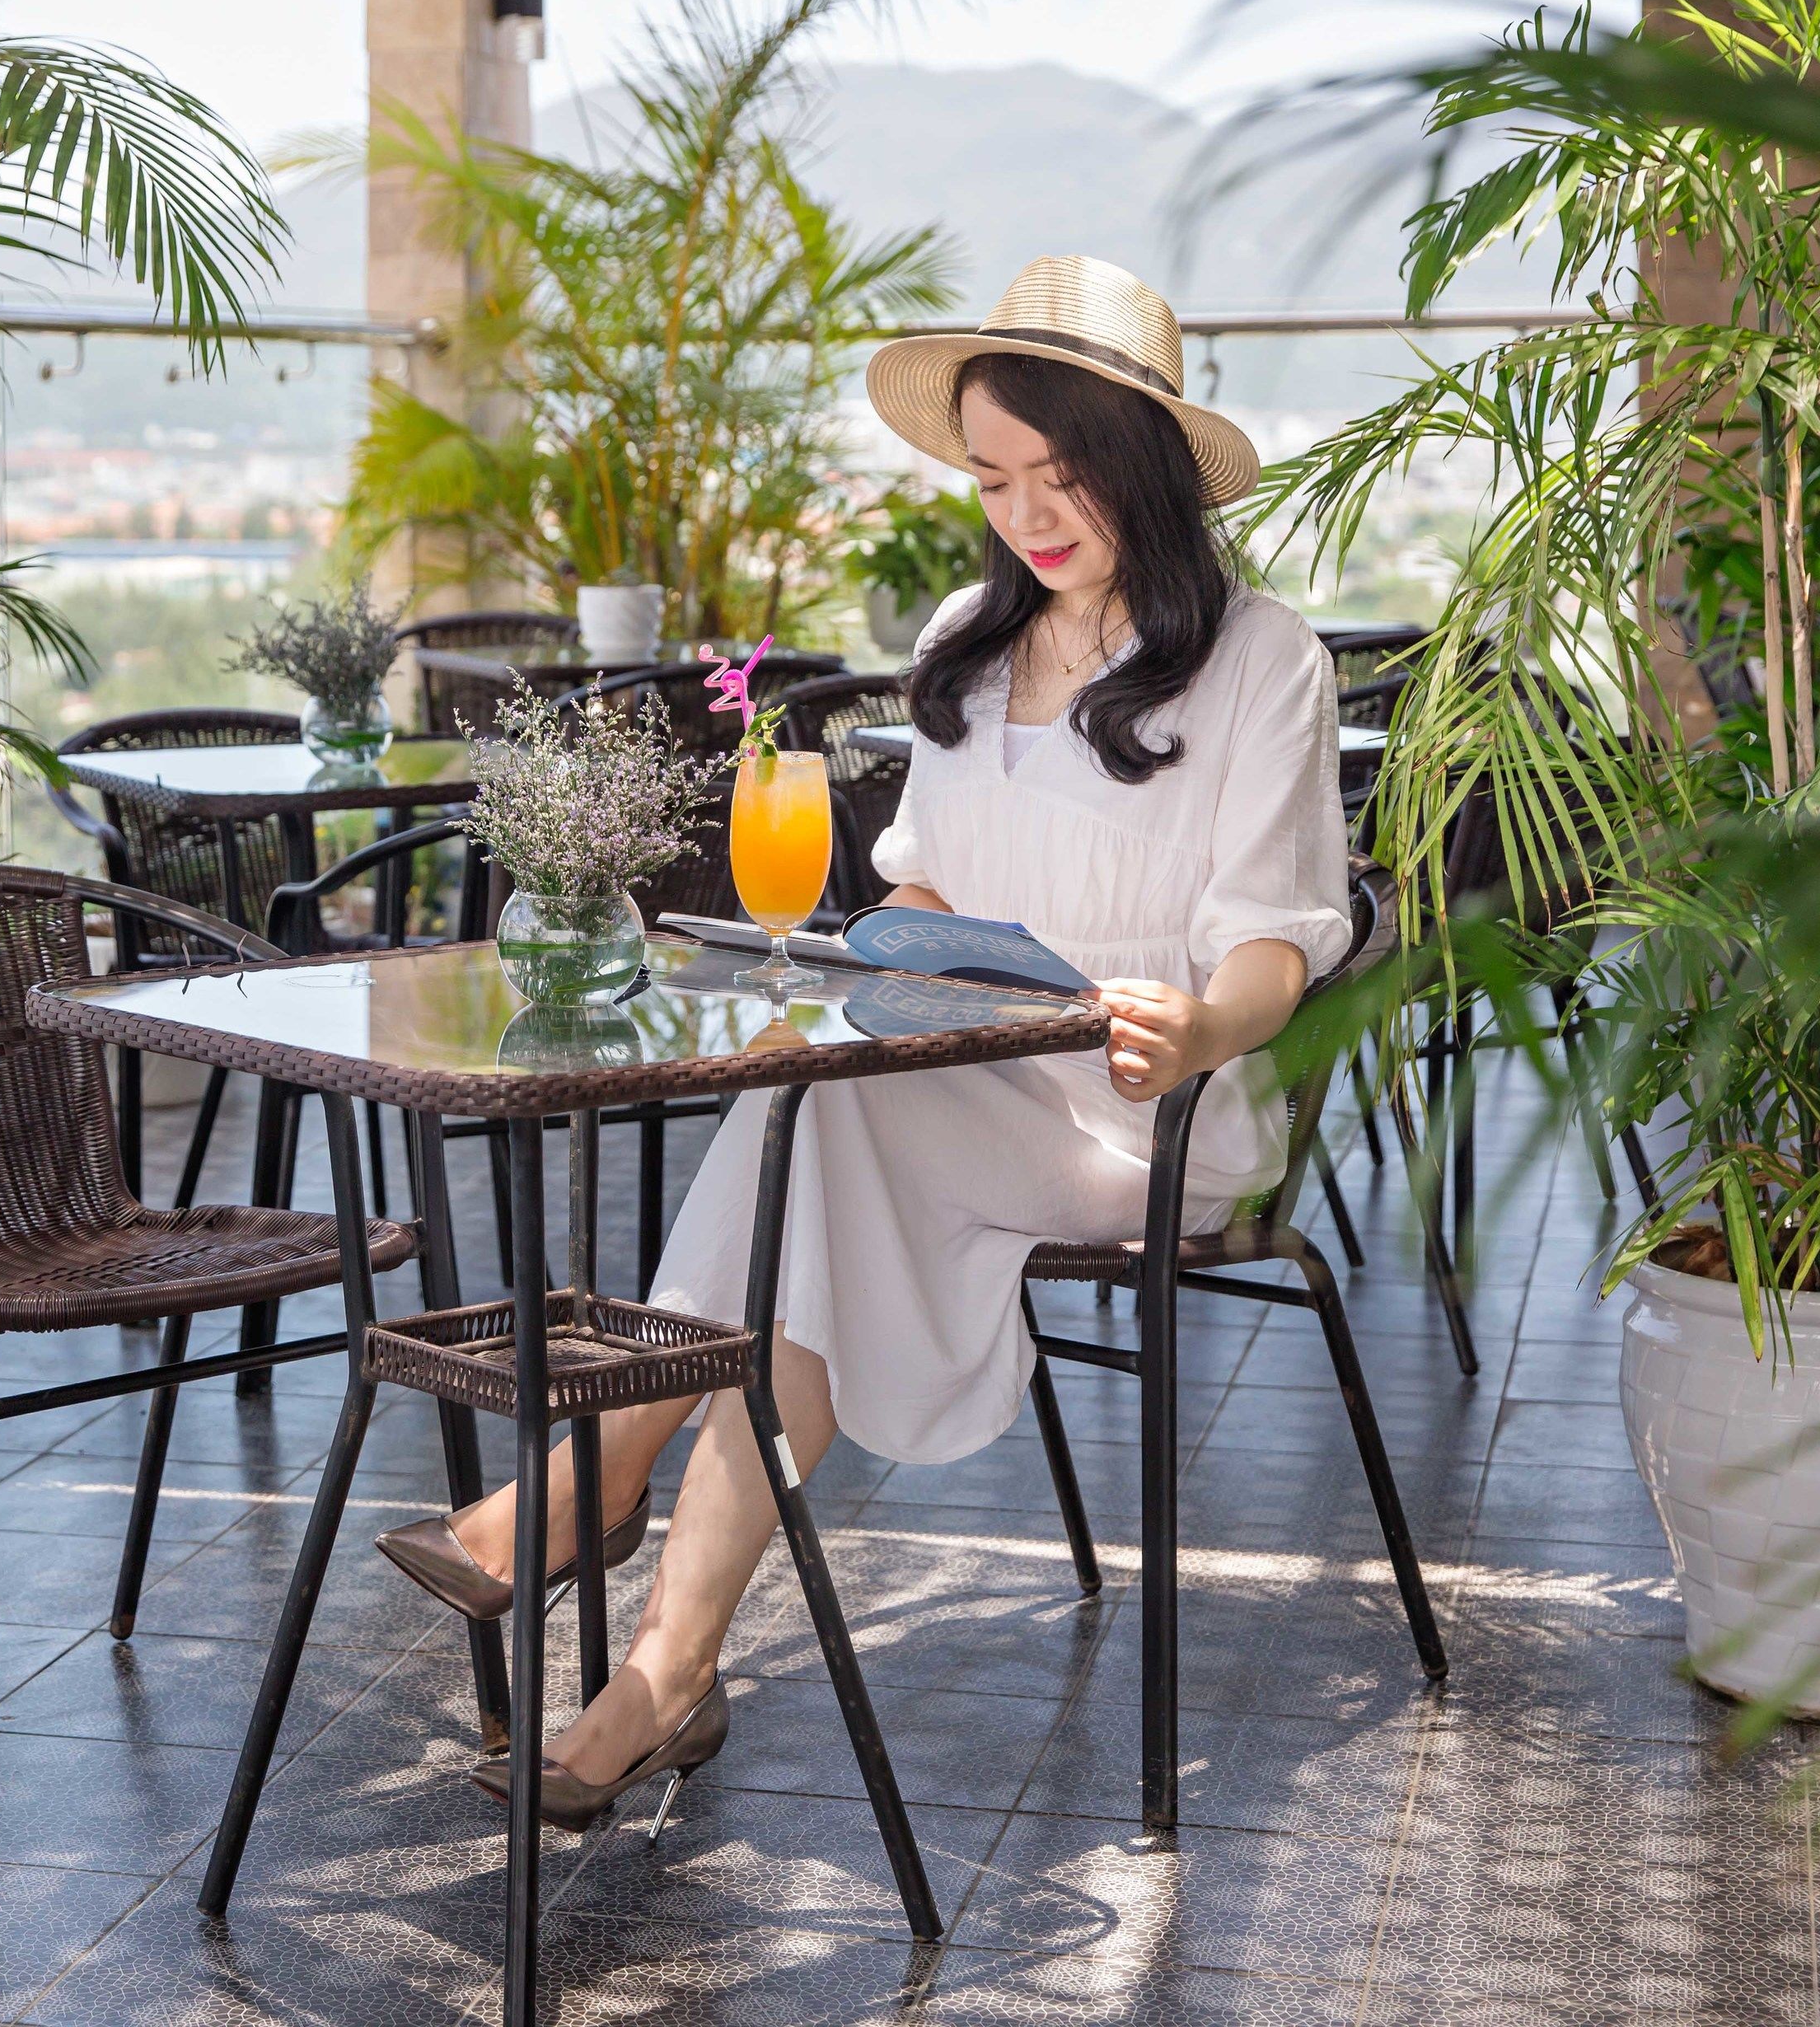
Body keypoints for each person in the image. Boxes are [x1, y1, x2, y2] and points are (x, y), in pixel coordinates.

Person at [375, 254, 1352, 1826]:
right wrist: (874, 959)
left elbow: (1275, 944)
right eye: (994, 477)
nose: (1029, 514)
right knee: (817, 1128)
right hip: (947, 1077)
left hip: (1146, 1106)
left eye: (1065, 474)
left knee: (811, 1128)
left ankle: (596, 1484)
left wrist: (1195, 1030)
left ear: (1151, 469)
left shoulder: (1261, 660)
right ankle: (662, 1665)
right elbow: (930, 886)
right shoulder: (972, 633)